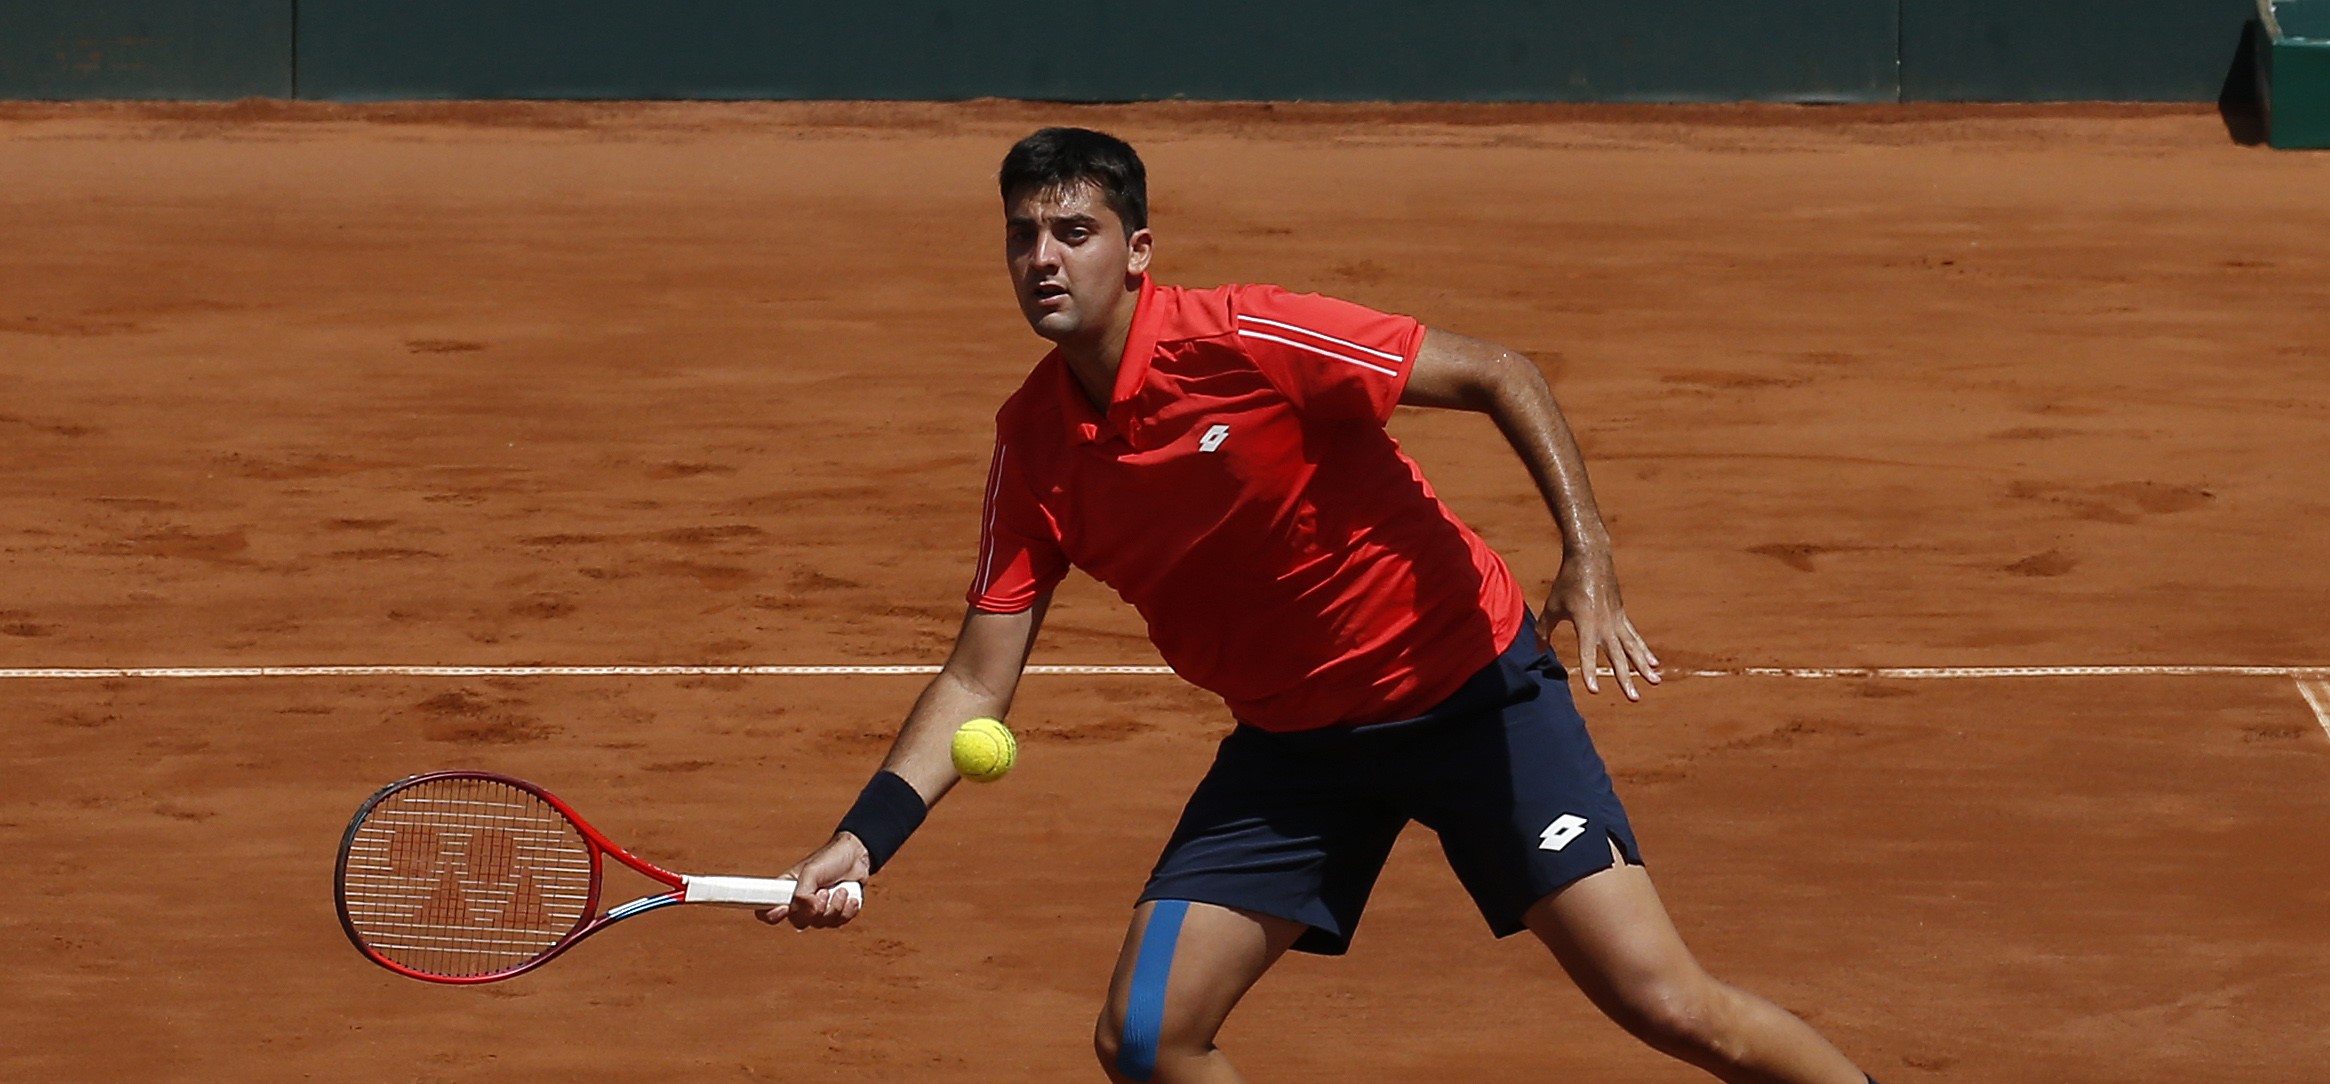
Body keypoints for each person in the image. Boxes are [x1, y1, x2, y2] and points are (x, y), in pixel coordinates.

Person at [762, 127, 1877, 1084]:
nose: (1042, 259)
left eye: (1073, 232)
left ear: (1137, 251)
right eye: (1021, 235)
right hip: (1295, 750)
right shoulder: (1033, 446)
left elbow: (1499, 370)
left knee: (1664, 1002)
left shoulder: (1248, 336)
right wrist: (863, 839)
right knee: (1146, 1039)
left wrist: (1586, 549)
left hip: (1471, 700)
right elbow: (973, 679)